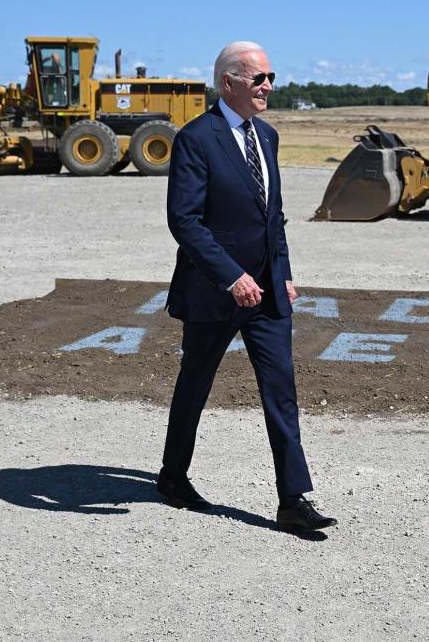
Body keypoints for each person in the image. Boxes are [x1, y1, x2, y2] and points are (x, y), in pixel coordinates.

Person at [158, 41, 336, 533]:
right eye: (258, 78)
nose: (268, 87)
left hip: (266, 293)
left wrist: (282, 272)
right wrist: (231, 276)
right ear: (227, 83)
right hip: (214, 290)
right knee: (194, 385)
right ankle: (173, 476)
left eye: (270, 77)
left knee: (281, 391)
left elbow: (270, 216)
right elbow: (185, 221)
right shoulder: (196, 139)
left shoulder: (269, 137)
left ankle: (292, 499)